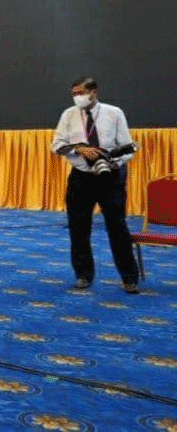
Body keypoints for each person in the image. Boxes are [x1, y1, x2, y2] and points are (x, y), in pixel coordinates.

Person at [51, 77, 139, 294]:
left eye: (81, 92)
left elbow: (127, 147)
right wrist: (78, 148)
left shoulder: (114, 113)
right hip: (81, 177)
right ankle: (83, 274)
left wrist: (110, 161)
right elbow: (57, 145)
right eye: (74, 93)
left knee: (117, 227)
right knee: (78, 228)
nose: (77, 97)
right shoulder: (68, 115)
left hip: (111, 176)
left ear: (93, 92)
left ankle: (129, 278)